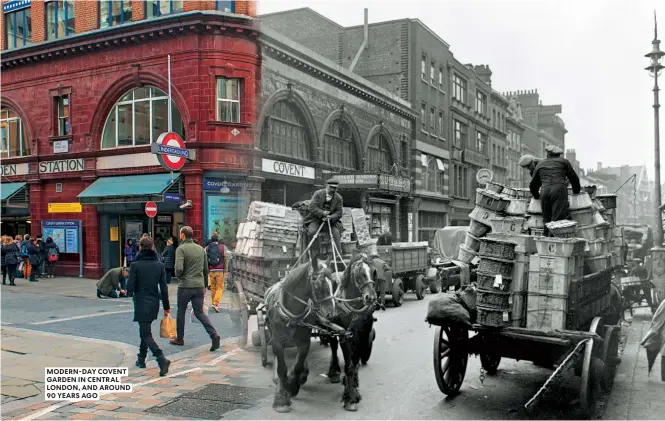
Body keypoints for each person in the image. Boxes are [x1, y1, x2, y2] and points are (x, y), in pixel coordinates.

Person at [126, 236, 171, 376]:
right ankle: (141, 359)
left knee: (145, 333)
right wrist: (167, 307)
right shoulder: (159, 265)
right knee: (145, 331)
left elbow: (129, 289)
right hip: (154, 303)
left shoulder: (135, 265)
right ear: (152, 248)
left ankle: (161, 358)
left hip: (141, 302)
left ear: (140, 248)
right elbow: (164, 289)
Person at [170, 226, 220, 351]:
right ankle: (213, 334)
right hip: (198, 286)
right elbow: (205, 269)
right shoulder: (200, 249)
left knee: (181, 311)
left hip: (185, 286)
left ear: (182, 235)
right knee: (199, 312)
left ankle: (180, 338)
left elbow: (179, 268)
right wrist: (203, 285)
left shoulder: (181, 249)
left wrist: (179, 276)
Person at [529, 145, 581, 237]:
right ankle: (554, 245)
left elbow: (533, 184)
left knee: (546, 219)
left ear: (548, 154)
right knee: (557, 220)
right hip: (559, 191)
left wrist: (537, 196)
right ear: (558, 154)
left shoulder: (540, 164)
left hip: (544, 191)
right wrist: (576, 191)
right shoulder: (564, 162)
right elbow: (574, 178)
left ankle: (545, 244)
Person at [304, 178, 343, 263]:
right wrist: (322, 213)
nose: (333, 190)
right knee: (311, 232)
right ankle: (314, 254)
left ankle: (337, 255)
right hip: (316, 219)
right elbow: (312, 207)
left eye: (335, 188)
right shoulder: (318, 194)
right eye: (331, 187)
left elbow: (339, 212)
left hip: (330, 222)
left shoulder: (339, 198)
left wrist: (331, 217)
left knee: (336, 234)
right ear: (327, 186)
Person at [206, 232, 230, 313]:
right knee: (220, 287)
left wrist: (207, 270)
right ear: (218, 239)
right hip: (220, 271)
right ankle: (215, 304)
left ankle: (213, 303)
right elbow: (227, 259)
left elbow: (205, 259)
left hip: (211, 271)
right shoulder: (223, 247)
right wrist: (226, 270)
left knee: (213, 287)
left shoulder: (207, 248)